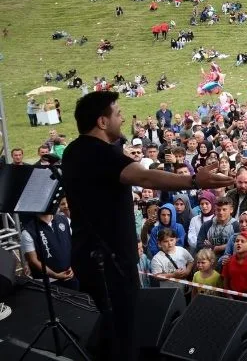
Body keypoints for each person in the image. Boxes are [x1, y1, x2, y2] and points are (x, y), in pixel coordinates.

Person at [62, 91, 232, 360]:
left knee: (107, 327)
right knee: (122, 330)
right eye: (117, 113)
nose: (121, 118)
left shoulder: (73, 150)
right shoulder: (101, 154)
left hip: (91, 254)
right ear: (102, 122)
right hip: (109, 260)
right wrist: (193, 182)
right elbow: (145, 176)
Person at [21, 205, 77, 289]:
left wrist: (74, 267)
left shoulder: (65, 220)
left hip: (71, 276)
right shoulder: (28, 232)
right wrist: (55, 275)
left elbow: (74, 245)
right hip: (48, 283)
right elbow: (33, 261)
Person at [150, 228, 194, 292]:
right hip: (168, 292)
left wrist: (187, 271)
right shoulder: (157, 258)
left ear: (176, 239)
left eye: (171, 240)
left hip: (185, 289)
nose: (170, 243)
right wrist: (173, 275)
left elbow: (191, 261)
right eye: (166, 241)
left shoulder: (181, 250)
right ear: (159, 243)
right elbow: (157, 276)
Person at [221, 231, 247, 297]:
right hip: (232, 297)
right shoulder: (228, 261)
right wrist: (229, 298)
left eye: (242, 241)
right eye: (237, 241)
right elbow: (225, 282)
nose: (239, 243)